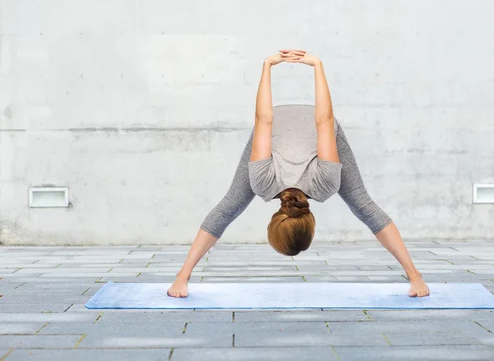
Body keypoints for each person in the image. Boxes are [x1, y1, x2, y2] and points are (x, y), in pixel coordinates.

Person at [167, 49, 430, 298]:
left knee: (363, 206)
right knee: (362, 205)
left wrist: (297, 66)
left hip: (279, 127)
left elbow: (280, 121)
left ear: (312, 223)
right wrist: (287, 66)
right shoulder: (303, 182)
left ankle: (415, 275)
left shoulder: (292, 182)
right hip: (282, 126)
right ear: (273, 220)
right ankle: (414, 275)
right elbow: (300, 121)